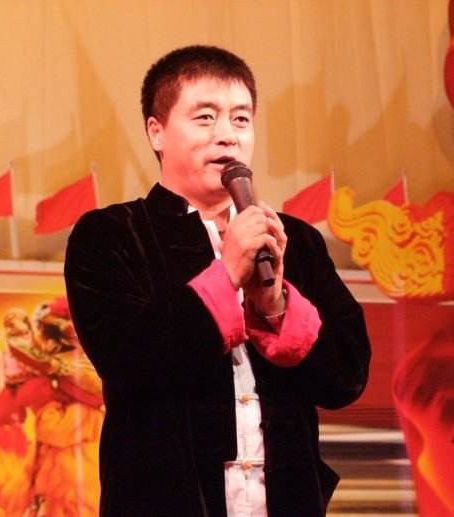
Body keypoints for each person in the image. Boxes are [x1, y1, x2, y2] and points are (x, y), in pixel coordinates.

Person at [64, 45, 371, 516]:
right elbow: (130, 361)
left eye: (241, 119)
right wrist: (226, 274)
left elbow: (345, 379)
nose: (227, 135)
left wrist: (274, 305)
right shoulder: (111, 235)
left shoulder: (296, 241)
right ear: (156, 131)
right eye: (205, 118)